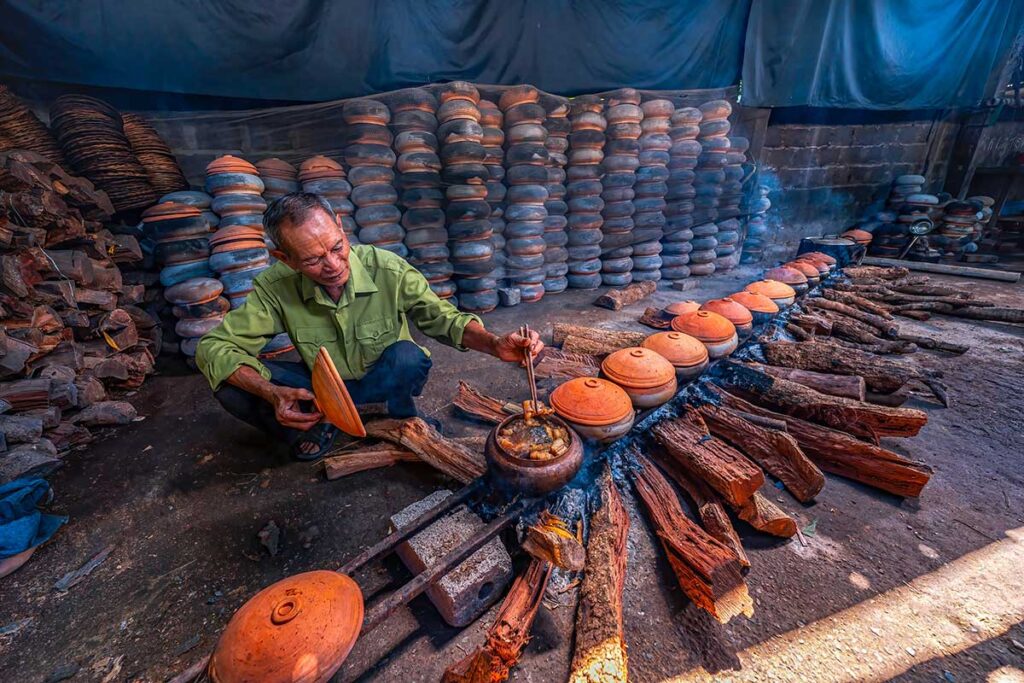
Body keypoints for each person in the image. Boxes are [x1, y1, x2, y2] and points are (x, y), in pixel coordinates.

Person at [196, 192, 543, 460]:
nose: (332, 265)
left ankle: (398, 413)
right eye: (314, 260)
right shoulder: (276, 286)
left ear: (340, 225)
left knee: (408, 357)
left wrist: (495, 343)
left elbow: (443, 318)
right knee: (231, 386)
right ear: (284, 259)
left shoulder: (386, 268)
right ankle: (317, 425)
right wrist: (271, 392)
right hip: (323, 388)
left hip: (381, 377)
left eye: (336, 247)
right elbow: (213, 347)